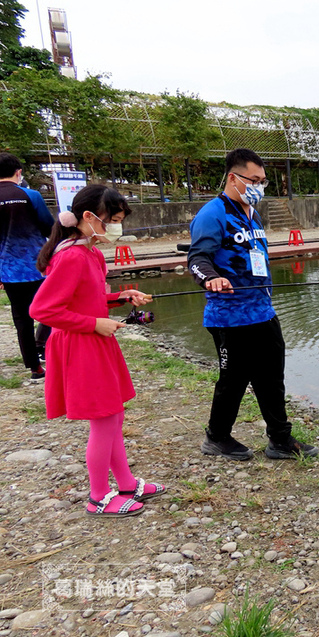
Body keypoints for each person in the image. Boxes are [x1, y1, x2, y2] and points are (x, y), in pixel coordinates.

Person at [29, 185, 165, 517]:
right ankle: (98, 496)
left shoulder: (90, 251)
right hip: (81, 344)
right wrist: (94, 324)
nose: (116, 228)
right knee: (104, 419)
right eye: (112, 220)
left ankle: (127, 483)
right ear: (89, 217)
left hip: (95, 340)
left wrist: (120, 298)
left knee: (113, 414)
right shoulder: (72, 255)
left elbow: (83, 298)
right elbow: (42, 310)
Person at [188, 148, 318, 461]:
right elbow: (197, 258)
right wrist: (211, 278)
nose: (260, 186)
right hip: (228, 317)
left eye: (263, 181)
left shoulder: (252, 213)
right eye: (254, 180)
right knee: (233, 380)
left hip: (262, 311)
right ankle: (216, 437)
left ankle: (280, 440)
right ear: (233, 178)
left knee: (272, 378)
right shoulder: (212, 214)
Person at [0, 153, 54, 379]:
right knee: (51, 311)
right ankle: (46, 348)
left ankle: (34, 368)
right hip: (38, 266)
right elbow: (49, 227)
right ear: (18, 172)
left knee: (21, 318)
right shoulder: (31, 195)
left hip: (8, 270)